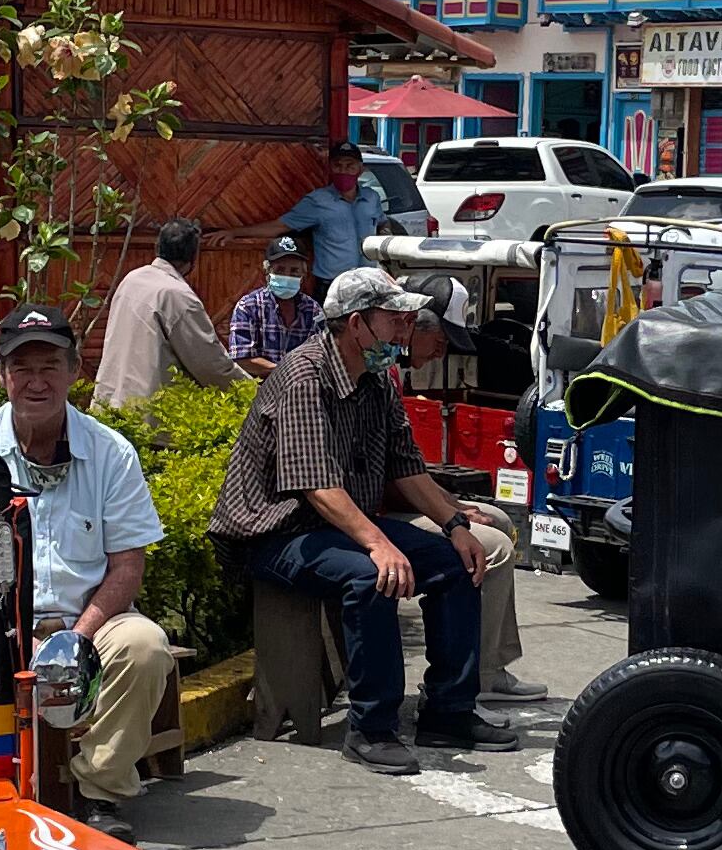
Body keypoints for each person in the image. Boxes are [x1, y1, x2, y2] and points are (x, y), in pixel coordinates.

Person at [214, 267, 514, 773]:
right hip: (274, 531)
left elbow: (407, 467)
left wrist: (454, 525)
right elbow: (316, 485)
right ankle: (371, 727)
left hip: (334, 524)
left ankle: (448, 710)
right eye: (394, 320)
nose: (403, 331)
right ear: (357, 324)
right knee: (372, 576)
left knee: (455, 563)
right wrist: (378, 544)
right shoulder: (304, 377)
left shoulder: (376, 379)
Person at [0, 310, 176, 833]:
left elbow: (128, 566)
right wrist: (14, 629)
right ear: (2, 374)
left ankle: (101, 792)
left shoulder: (112, 453)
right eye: (22, 368)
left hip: (88, 624)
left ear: (73, 372)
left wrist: (74, 641)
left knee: (144, 646)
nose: (36, 382)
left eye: (50, 367)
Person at [95, 218, 241, 406]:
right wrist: (252, 391)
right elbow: (209, 365)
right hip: (150, 412)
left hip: (110, 402)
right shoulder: (178, 296)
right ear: (193, 256)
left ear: (157, 247)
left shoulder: (131, 280)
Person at [275, 141, 381, 283]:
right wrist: (243, 231)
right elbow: (281, 226)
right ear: (330, 168)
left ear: (360, 169)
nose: (343, 171)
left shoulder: (372, 198)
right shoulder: (317, 201)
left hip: (368, 282)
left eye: (350, 166)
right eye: (338, 165)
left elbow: (382, 222)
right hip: (331, 283)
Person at [225, 231, 321, 370]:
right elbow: (242, 359)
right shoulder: (248, 306)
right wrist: (283, 372)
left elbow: (320, 355)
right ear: (267, 272)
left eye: (294, 271)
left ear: (303, 275)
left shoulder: (313, 310)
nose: (287, 276)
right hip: (262, 382)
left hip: (302, 381)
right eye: (280, 270)